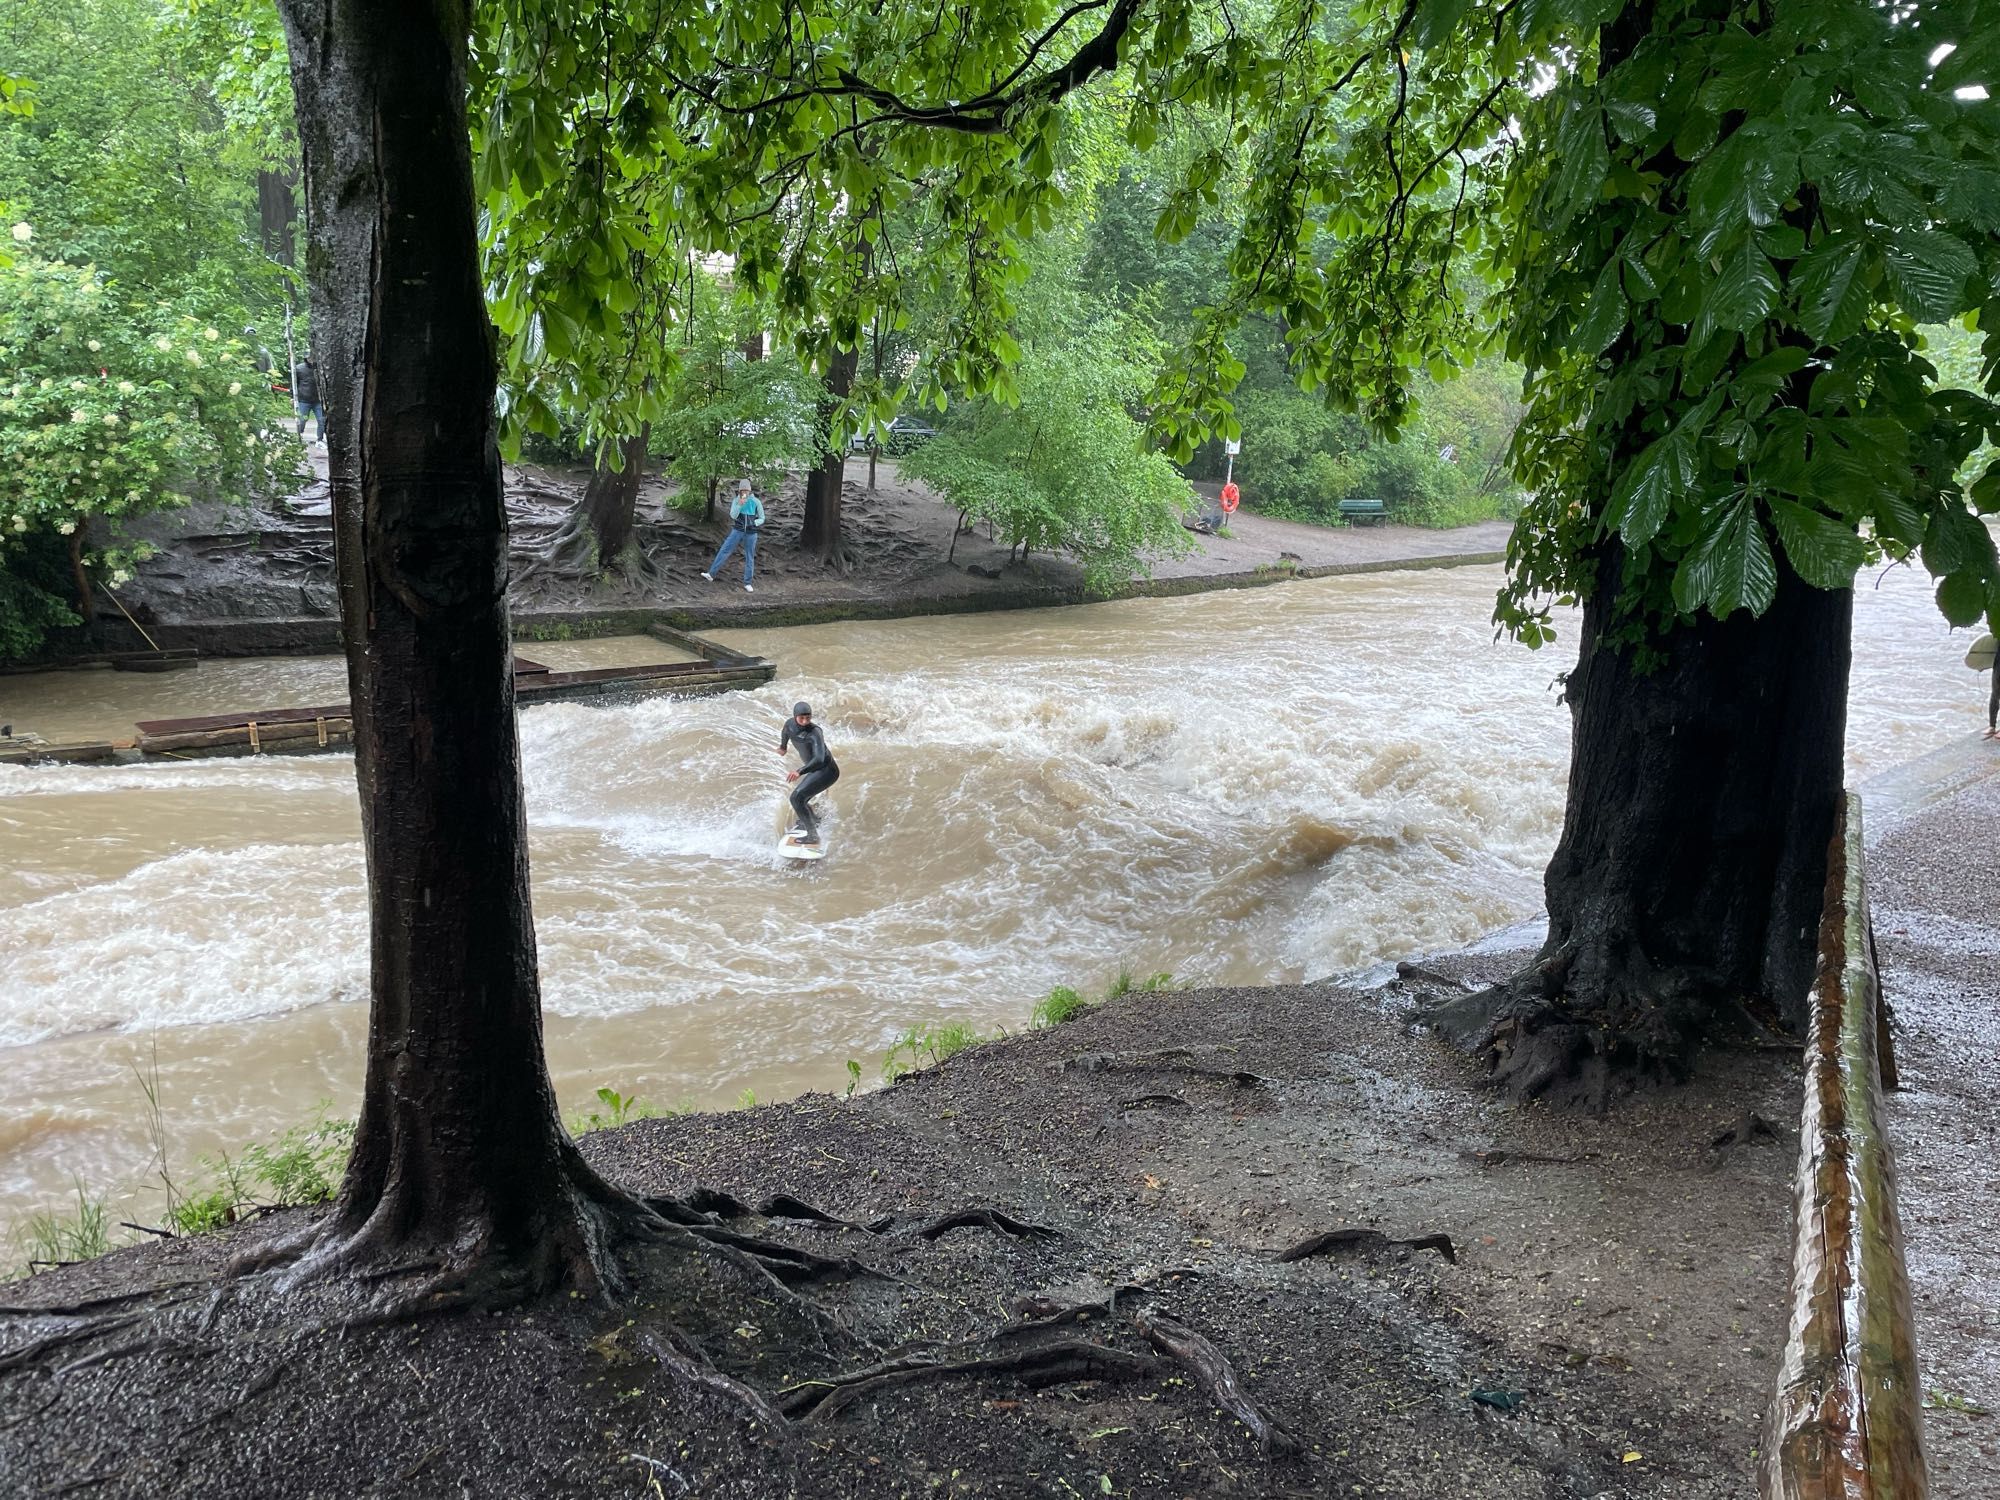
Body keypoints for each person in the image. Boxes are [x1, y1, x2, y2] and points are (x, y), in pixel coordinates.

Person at [779, 701, 839, 845]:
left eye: (808, 718)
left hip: (827, 771)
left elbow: (819, 759)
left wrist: (799, 771)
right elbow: (785, 732)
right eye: (801, 718)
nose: (805, 722)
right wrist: (783, 746)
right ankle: (813, 819)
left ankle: (812, 836)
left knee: (796, 798)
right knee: (801, 798)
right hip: (814, 770)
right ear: (794, 717)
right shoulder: (789, 724)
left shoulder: (815, 732)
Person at [701, 479, 764, 592]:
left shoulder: (756, 502)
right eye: (742, 490)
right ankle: (711, 574)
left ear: (749, 490)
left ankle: (747, 583)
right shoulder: (736, 500)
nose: (744, 492)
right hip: (737, 530)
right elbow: (733, 516)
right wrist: (739, 505)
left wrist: (754, 523)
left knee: (750, 556)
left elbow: (762, 518)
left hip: (751, 532)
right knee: (725, 550)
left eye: (746, 490)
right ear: (739, 491)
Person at [292, 355, 325, 443]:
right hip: (304, 400)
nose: (311, 360)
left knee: (322, 420)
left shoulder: (320, 368)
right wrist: (292, 397)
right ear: (305, 358)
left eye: (313, 357)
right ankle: (299, 437)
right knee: (302, 420)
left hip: (318, 400)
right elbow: (294, 384)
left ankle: (320, 439)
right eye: (309, 358)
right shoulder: (299, 368)